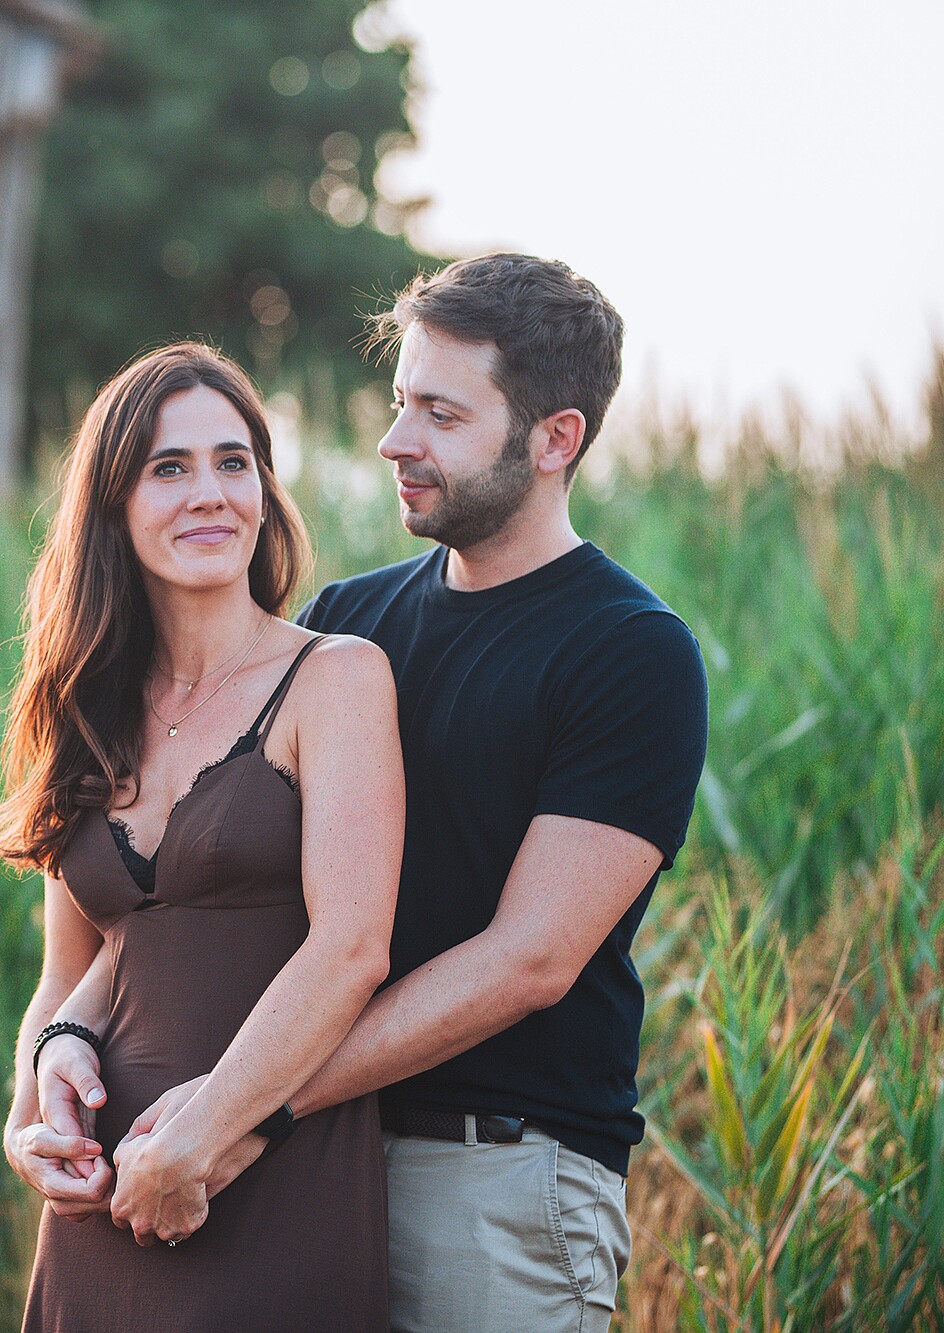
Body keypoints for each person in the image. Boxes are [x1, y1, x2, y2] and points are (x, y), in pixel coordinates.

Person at [113, 254, 710, 1332]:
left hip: (490, 1182)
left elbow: (524, 961)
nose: (394, 441)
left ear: (552, 440)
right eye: (399, 403)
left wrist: (246, 1106)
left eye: (438, 412)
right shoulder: (349, 621)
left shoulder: (629, 653)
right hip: (307, 1166)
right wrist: (76, 1053)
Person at [0, 342, 404, 1330]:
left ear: (262, 489)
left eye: (231, 462)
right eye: (167, 469)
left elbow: (350, 949)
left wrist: (202, 1135)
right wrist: (28, 1116)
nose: (207, 493)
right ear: (112, 508)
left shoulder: (333, 678)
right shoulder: (86, 708)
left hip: (262, 1179)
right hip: (100, 1201)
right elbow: (65, 973)